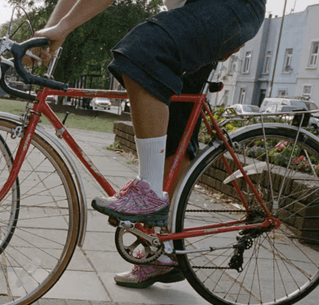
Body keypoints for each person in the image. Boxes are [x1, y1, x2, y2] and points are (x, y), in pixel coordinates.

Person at [35, 0, 265, 288]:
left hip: (229, 6)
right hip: (205, 9)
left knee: (141, 53)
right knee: (171, 135)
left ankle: (149, 194)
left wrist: (63, 28)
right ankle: (163, 253)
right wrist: (50, 33)